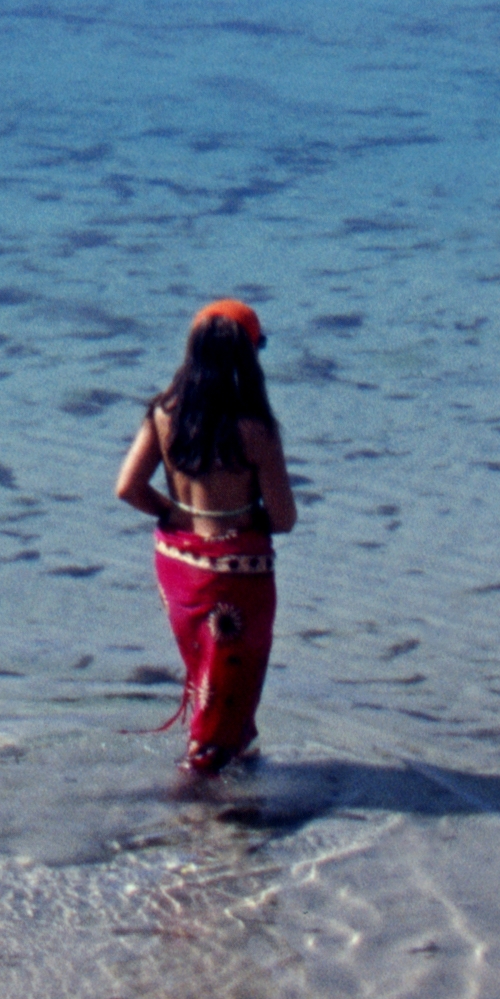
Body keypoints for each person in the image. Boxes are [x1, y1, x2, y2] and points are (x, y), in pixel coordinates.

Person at [113, 296, 295, 783]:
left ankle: (233, 766)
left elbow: (126, 488)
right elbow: (283, 518)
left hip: (179, 564)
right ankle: (197, 794)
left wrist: (174, 511)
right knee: (230, 682)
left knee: (207, 677)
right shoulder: (255, 431)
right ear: (248, 357)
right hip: (236, 576)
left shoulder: (163, 413)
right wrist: (241, 510)